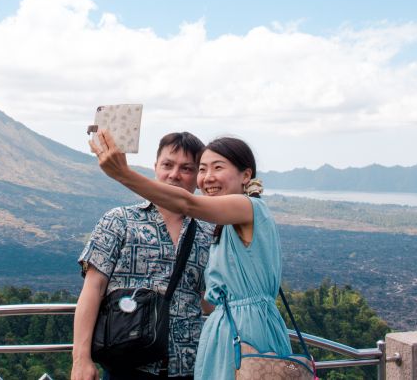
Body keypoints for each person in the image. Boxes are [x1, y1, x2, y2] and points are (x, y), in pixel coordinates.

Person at [91, 130, 292, 380]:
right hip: (228, 330)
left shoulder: (248, 207)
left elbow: (188, 203)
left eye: (218, 167)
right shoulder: (226, 225)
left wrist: (123, 174)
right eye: (203, 169)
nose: (208, 177)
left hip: (246, 332)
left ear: (246, 175)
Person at [72, 132, 213, 380]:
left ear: (198, 176)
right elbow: (93, 289)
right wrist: (81, 359)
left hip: (189, 367)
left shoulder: (207, 231)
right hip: (127, 364)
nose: (174, 175)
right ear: (155, 167)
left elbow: (206, 301)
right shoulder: (119, 220)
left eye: (186, 168)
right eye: (168, 165)